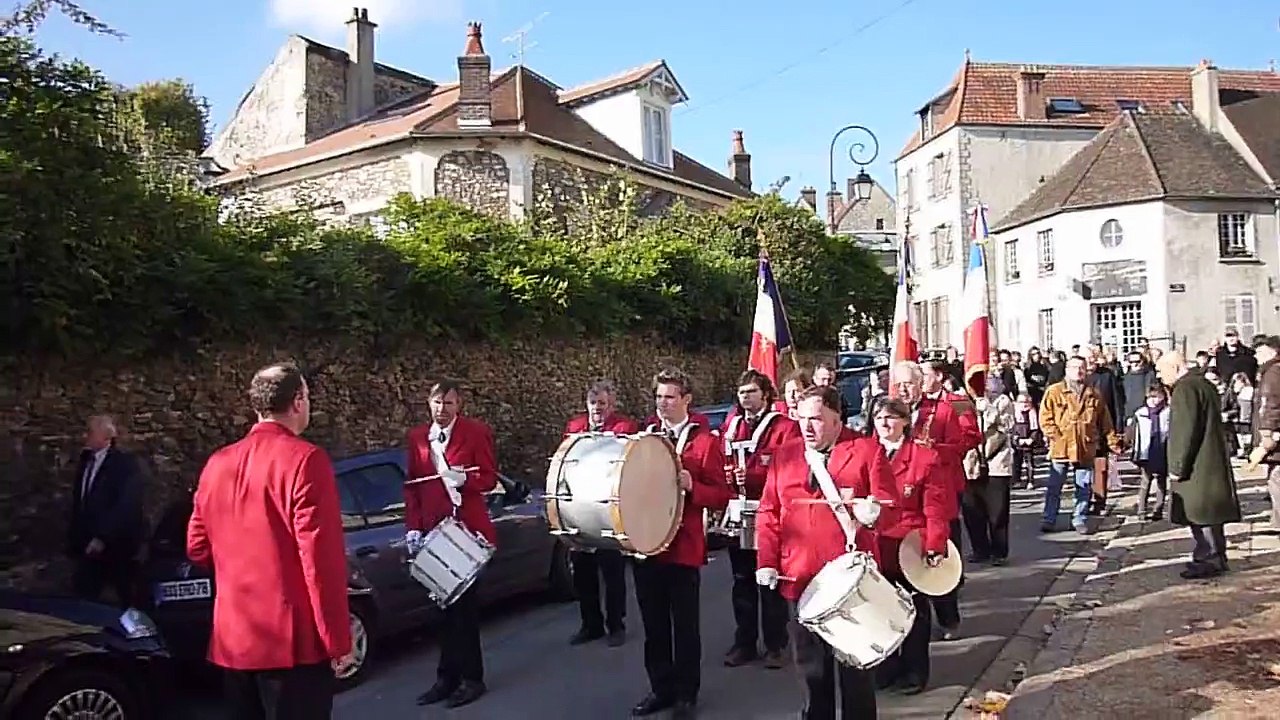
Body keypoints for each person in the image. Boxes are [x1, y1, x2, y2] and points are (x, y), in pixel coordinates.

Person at [187, 363, 352, 720]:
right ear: (297, 401)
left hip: (235, 638)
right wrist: (338, 639)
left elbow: (197, 547)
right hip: (292, 645)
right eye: (307, 396)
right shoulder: (306, 460)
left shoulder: (217, 463)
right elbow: (320, 561)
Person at [755, 385, 892, 718]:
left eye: (816, 419)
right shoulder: (786, 454)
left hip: (851, 584)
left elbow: (891, 506)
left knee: (855, 675)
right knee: (812, 674)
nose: (807, 427)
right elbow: (769, 513)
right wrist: (767, 561)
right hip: (802, 580)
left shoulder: (865, 450)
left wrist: (874, 514)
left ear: (836, 418)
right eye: (801, 419)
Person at [632, 367, 731, 719]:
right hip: (646, 545)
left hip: (683, 547)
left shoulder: (705, 442)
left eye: (670, 397)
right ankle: (660, 688)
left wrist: (693, 487)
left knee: (684, 627)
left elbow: (722, 495)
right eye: (658, 397)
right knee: (653, 626)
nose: (662, 404)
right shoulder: (644, 437)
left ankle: (687, 694)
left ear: (686, 400)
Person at [406, 380, 499, 708]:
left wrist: (466, 479)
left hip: (467, 534)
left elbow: (489, 477)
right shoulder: (418, 439)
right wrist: (414, 528)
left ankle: (472, 679)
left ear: (458, 405)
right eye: (436, 403)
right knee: (442, 611)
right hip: (435, 534)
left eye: (448, 403)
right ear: (428, 404)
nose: (442, 410)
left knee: (463, 610)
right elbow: (413, 488)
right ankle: (446, 678)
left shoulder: (476, 432)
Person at [866, 398, 951, 695]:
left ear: (905, 421)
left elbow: (935, 507)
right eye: (879, 418)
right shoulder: (865, 453)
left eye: (891, 418)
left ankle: (915, 671)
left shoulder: (923, 458)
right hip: (874, 546)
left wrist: (935, 544)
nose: (884, 424)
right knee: (880, 611)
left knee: (914, 612)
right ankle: (886, 668)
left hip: (909, 547)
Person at [719, 370, 800, 669]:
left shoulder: (784, 427)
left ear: (766, 394)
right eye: (741, 392)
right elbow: (721, 457)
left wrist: (753, 475)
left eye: (752, 391)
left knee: (769, 579)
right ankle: (745, 642)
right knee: (741, 581)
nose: (746, 397)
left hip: (770, 513)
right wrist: (727, 475)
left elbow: (790, 468)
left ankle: (776, 643)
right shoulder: (732, 425)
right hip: (739, 511)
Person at [899, 359, 981, 640]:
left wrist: (933, 450)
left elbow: (962, 445)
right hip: (903, 498)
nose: (903, 389)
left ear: (920, 383)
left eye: (908, 383)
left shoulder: (944, 410)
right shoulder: (889, 413)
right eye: (899, 384)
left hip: (938, 493)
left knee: (938, 558)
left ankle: (948, 618)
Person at [563, 380, 638, 647]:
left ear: (612, 405)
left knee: (612, 570)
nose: (597, 409)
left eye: (602, 404)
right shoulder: (574, 428)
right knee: (582, 571)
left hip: (608, 508)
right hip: (580, 506)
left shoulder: (624, 427)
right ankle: (590, 624)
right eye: (593, 404)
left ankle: (616, 624)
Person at [1160, 351, 1242, 579]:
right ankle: (1213, 555)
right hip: (1208, 458)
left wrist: (1176, 466)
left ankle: (1209, 557)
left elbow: (1185, 430)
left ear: (1175, 367)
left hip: (1197, 464)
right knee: (1207, 512)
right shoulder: (1202, 383)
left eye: (1161, 370)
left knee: (1201, 512)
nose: (1159, 375)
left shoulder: (1185, 389)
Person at [1039, 356, 1123, 534]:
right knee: (1055, 486)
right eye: (1074, 367)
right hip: (1061, 446)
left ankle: (1080, 518)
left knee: (1083, 487)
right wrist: (1056, 436)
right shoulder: (1054, 392)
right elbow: (1045, 419)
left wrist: (1113, 442)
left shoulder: (1094, 394)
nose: (1078, 371)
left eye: (1082, 367)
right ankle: (1049, 518)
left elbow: (1105, 422)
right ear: (1067, 370)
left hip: (1085, 446)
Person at [68, 414, 145, 607]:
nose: (85, 436)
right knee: (85, 595)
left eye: (90, 432)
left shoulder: (124, 465)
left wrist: (103, 537)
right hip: (87, 544)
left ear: (105, 437)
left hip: (116, 546)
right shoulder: (86, 461)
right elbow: (81, 499)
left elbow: (125, 505)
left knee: (124, 595)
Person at [961, 376, 1014, 565]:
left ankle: (999, 551)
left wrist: (988, 410)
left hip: (996, 463)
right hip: (971, 463)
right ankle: (979, 549)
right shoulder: (963, 402)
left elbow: (1006, 426)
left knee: (997, 510)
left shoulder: (1003, 401)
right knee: (972, 509)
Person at [1127, 384, 1171, 521]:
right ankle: (1141, 510)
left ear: (1163, 397)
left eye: (1156, 397)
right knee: (1145, 481)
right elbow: (1134, 433)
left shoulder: (1168, 412)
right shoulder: (1140, 413)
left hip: (1163, 450)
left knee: (1161, 481)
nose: (1152, 400)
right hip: (1146, 452)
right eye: (1150, 397)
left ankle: (1158, 509)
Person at [1251, 335, 1280, 534]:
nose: (1255, 355)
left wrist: (1267, 434)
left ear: (1272, 351)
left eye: (1259, 351)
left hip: (1274, 436)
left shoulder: (1272, 373)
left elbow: (1270, 405)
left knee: (1277, 479)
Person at [1010, 393, 1041, 490]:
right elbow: (1012, 428)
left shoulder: (1032, 413)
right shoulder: (1014, 414)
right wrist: (1016, 439)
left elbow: (1035, 429)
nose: (1024, 405)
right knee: (1016, 462)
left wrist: (1031, 439)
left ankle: (1030, 480)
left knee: (1029, 463)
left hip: (1028, 441)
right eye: (1021, 402)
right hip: (1018, 442)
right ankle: (1016, 480)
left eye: (1026, 402)